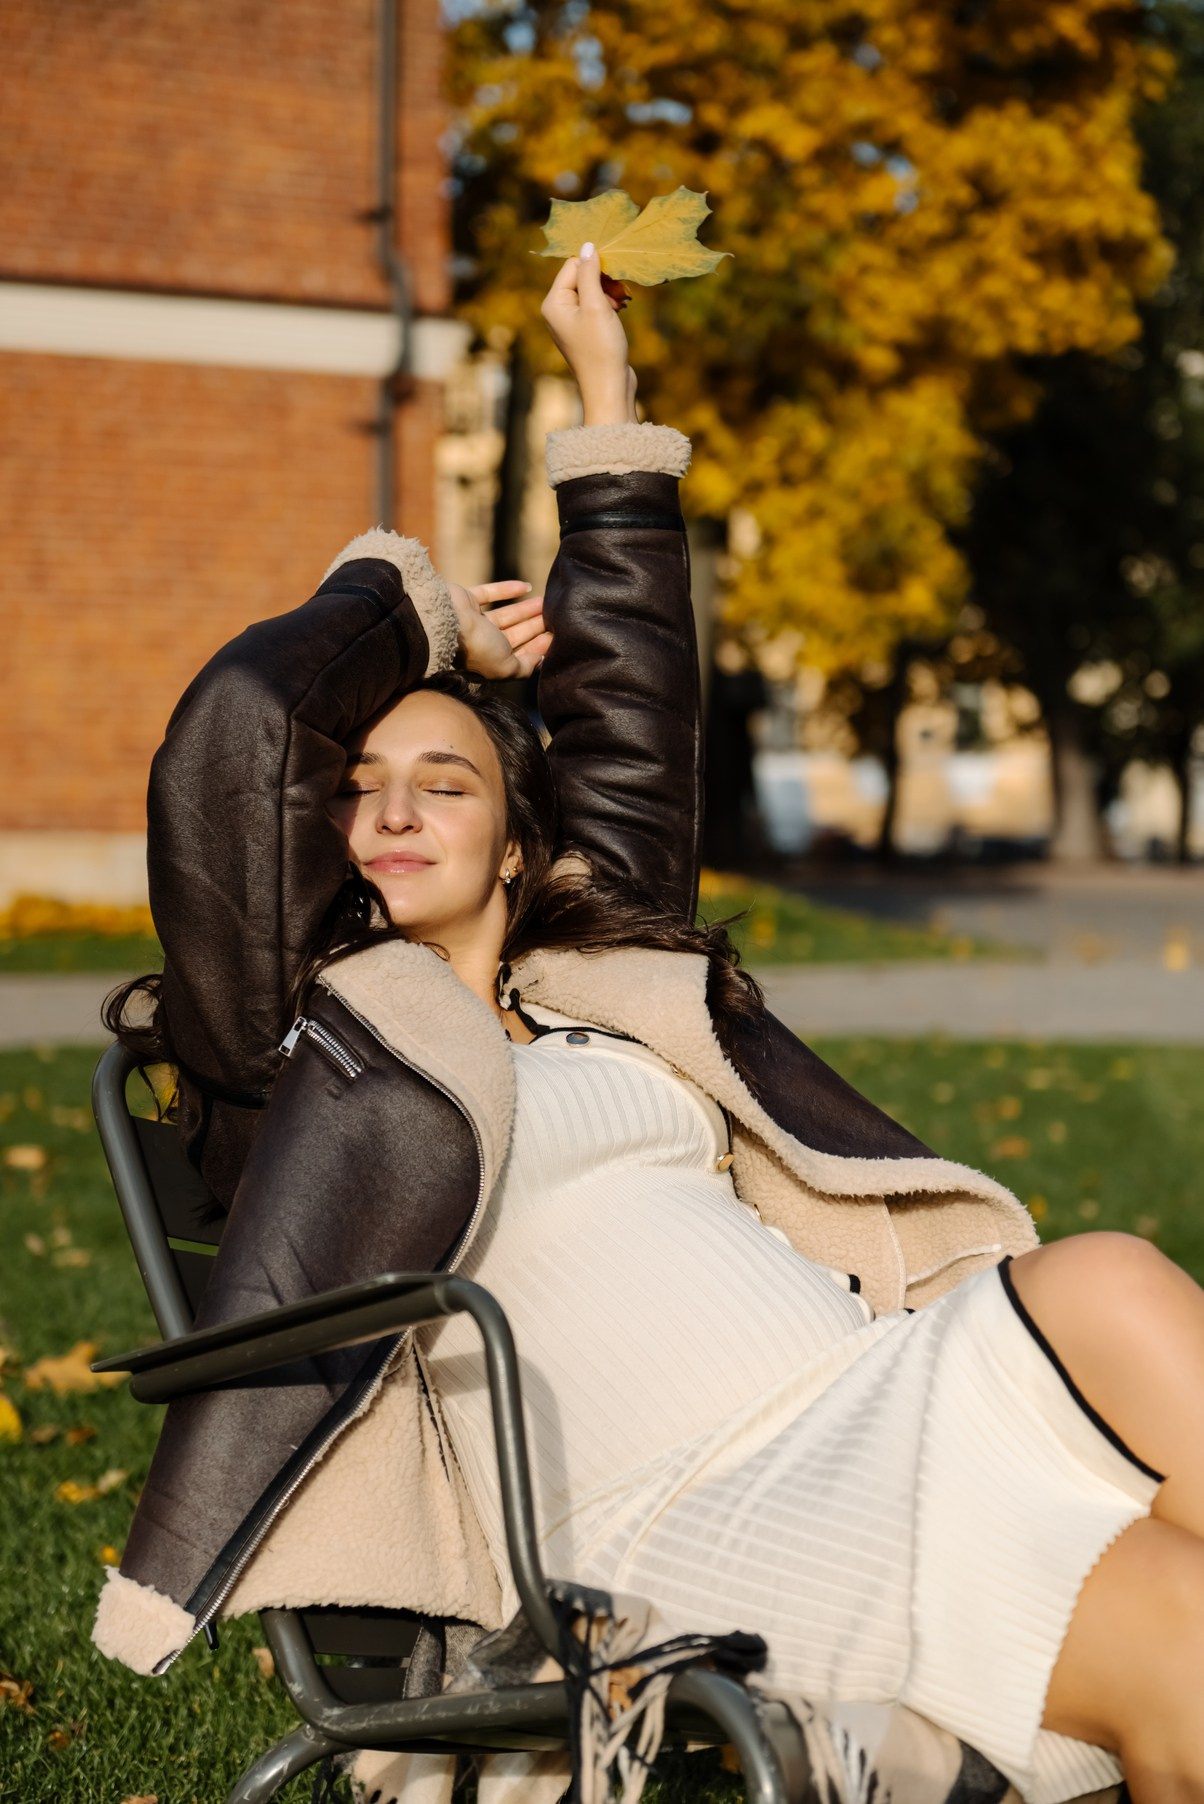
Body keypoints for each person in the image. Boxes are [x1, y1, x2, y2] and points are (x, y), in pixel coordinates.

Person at [93, 248, 1204, 1804]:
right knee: (1184, 1654)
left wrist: (606, 404)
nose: (396, 807)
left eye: (448, 778)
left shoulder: (593, 982)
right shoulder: (308, 1038)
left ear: (513, 834)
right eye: (359, 788)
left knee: (1113, 1286)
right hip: (688, 1517)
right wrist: (409, 617)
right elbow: (236, 737)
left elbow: (634, 720)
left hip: (877, 1391)